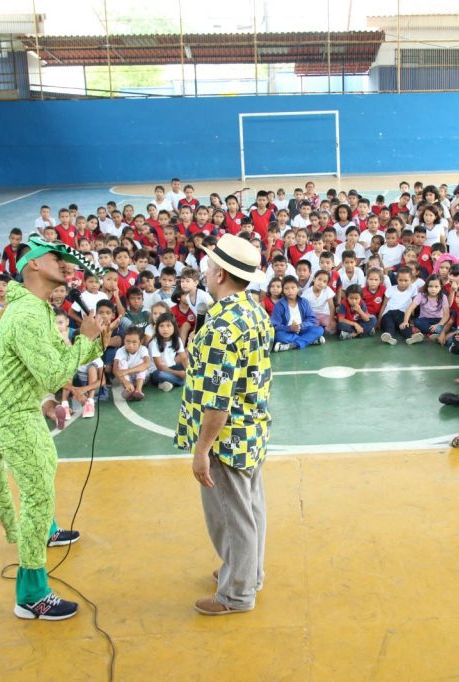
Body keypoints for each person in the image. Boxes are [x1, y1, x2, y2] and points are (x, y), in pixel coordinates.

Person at [0, 236, 108, 621]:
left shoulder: (34, 309)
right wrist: (86, 341)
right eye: (57, 258)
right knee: (36, 495)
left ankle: (46, 532)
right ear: (33, 265)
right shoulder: (27, 315)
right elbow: (55, 371)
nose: (65, 265)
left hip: (21, 409)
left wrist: (92, 342)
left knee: (43, 472)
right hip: (13, 415)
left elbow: (52, 365)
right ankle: (31, 595)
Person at [174, 233, 273, 616]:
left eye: (210, 265)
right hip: (252, 428)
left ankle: (236, 594)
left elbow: (218, 400)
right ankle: (248, 574)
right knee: (250, 509)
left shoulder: (220, 327)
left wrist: (202, 450)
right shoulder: (253, 311)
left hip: (227, 438)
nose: (206, 269)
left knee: (231, 517)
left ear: (219, 274)